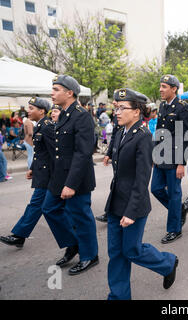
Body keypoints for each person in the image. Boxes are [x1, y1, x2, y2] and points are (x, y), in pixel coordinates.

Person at [105, 88, 178, 300]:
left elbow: (141, 179)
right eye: (115, 108)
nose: (117, 112)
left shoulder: (144, 137)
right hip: (115, 203)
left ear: (136, 111)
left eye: (122, 108)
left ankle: (167, 262)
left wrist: (130, 211)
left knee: (131, 250)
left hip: (133, 206)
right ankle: (118, 297)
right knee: (116, 253)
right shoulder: (120, 131)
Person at [41, 75, 99, 276]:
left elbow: (83, 152)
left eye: (56, 89)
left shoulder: (81, 115)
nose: (52, 93)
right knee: (49, 208)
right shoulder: (64, 114)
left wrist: (72, 184)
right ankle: (73, 243)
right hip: (59, 175)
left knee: (81, 216)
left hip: (77, 177)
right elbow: (58, 149)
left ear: (70, 92)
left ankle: (90, 255)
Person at [0, 98, 55, 248]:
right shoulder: (40, 126)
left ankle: (73, 239)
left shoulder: (47, 127)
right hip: (42, 173)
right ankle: (20, 235)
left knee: (45, 207)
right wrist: (33, 168)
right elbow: (41, 153)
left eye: (31, 108)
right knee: (37, 205)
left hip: (49, 176)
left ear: (42, 110)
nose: (28, 111)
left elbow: (54, 155)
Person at [151, 75, 188, 244]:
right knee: (156, 189)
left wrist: (181, 163)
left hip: (175, 158)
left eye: (164, 86)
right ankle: (181, 209)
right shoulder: (162, 106)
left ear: (174, 89)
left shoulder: (182, 108)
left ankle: (174, 229)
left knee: (174, 194)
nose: (161, 90)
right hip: (161, 156)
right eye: (160, 86)